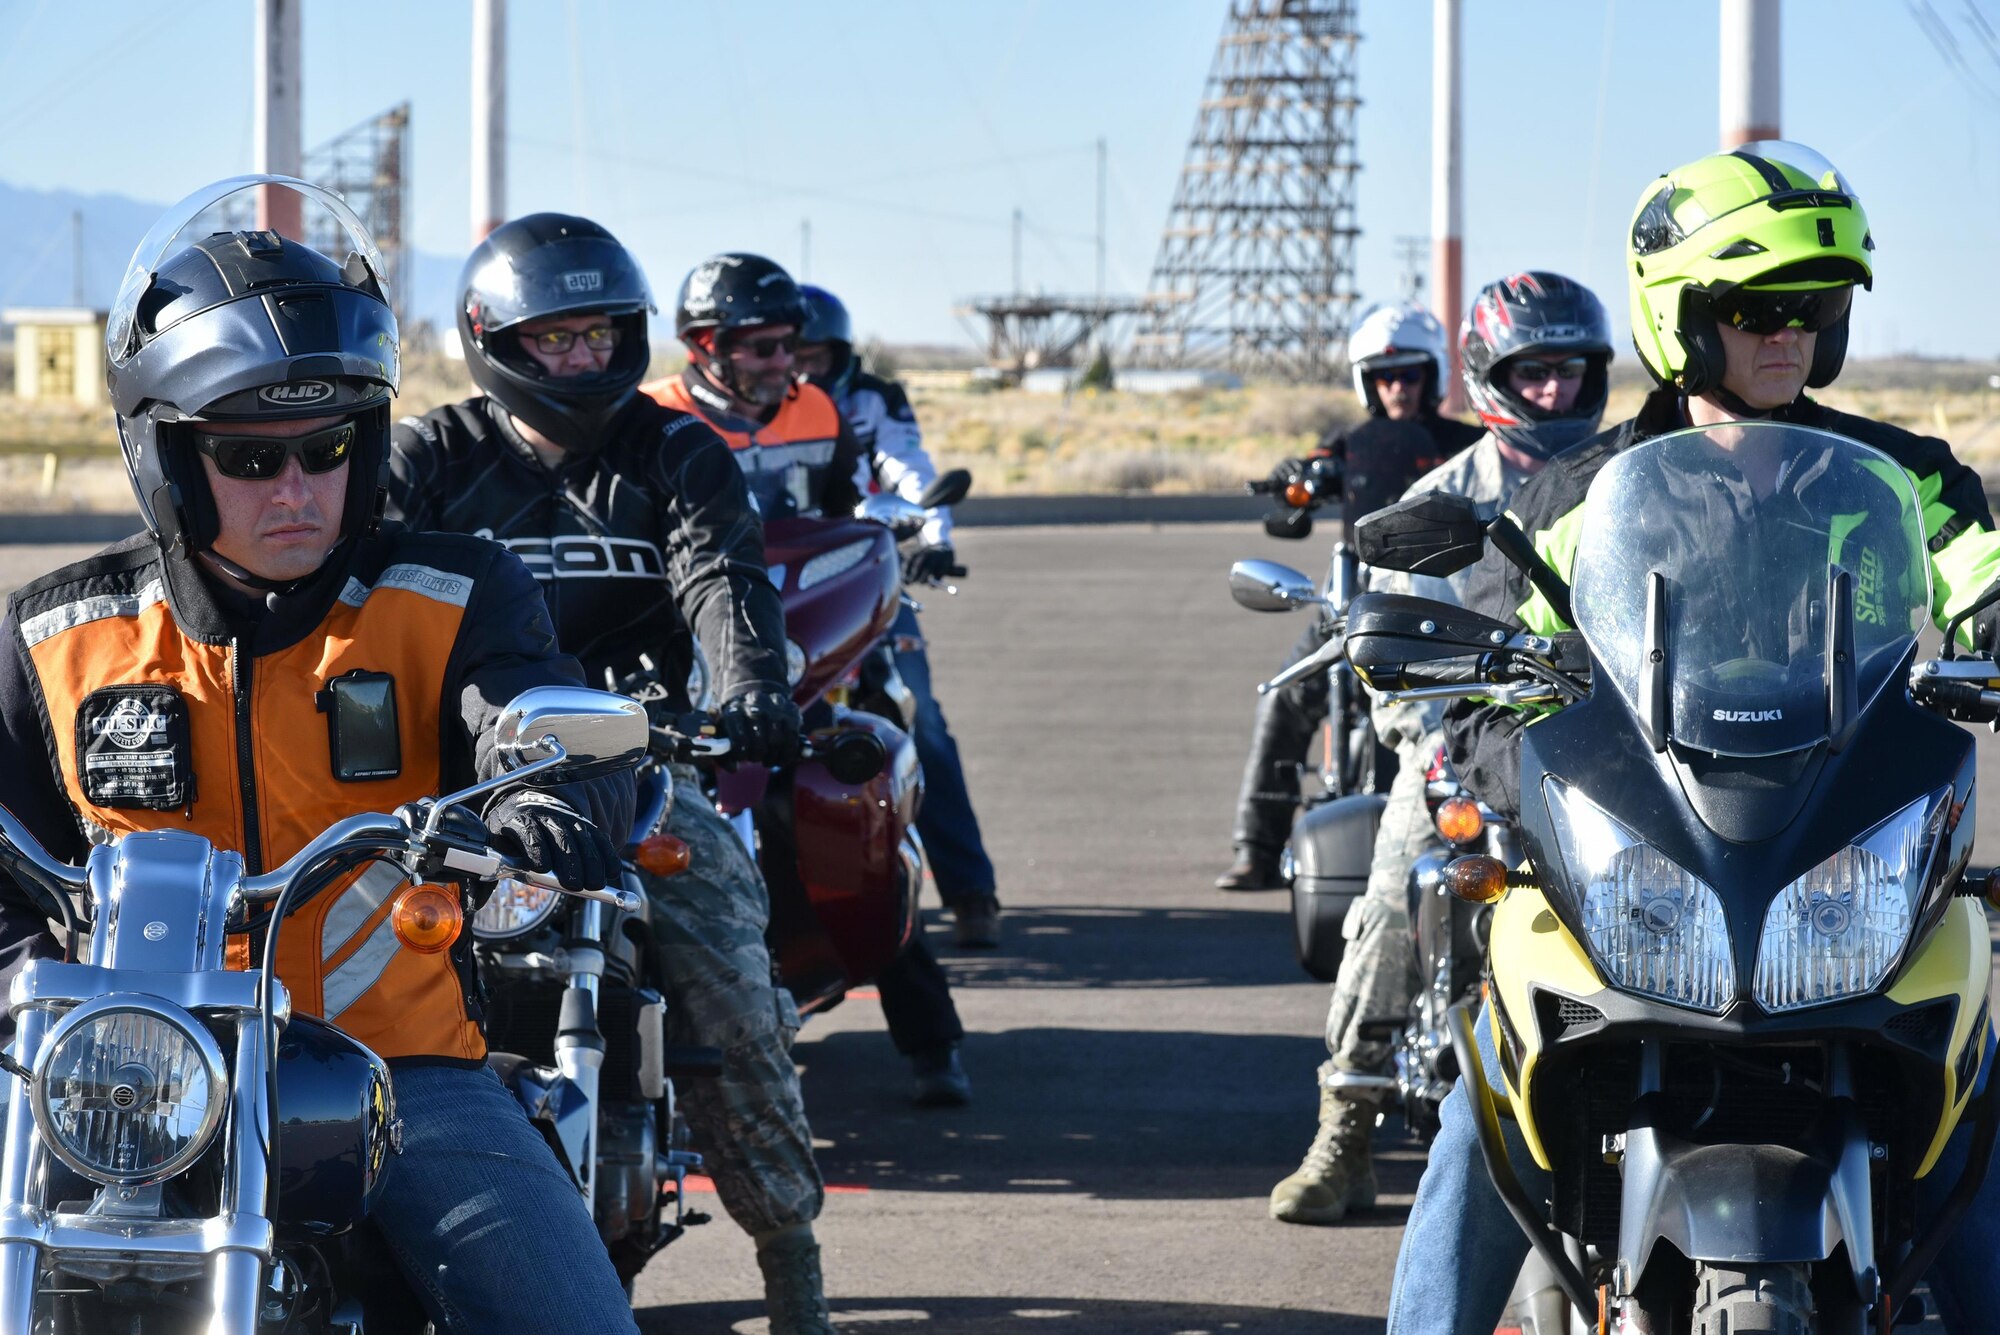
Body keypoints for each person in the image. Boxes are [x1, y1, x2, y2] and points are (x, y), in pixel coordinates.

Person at [0, 178, 639, 1333]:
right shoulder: (59, 637)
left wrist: (549, 784)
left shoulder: (450, 596)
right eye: (249, 458)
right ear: (166, 456)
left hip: (399, 1070)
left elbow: (530, 708)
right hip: (110, 1077)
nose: (295, 489)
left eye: (327, 445)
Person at [1389, 143, 2000, 1335]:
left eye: (1814, 310)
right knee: (1486, 1099)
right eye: (1755, 309)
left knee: (1974, 1083)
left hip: (1840, 855)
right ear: (1679, 319)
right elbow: (1480, 680)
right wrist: (1521, 760)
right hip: (1645, 860)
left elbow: (1981, 570)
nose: (1789, 335)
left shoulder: (1904, 480)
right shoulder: (1575, 496)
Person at [384, 215, 838, 1333]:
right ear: (494, 339)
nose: (582, 359)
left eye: (598, 336)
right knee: (353, 964)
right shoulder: (427, 457)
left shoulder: (674, 449)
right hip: (467, 781)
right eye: (555, 339)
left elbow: (723, 581)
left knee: (737, 988)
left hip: (637, 762)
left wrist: (751, 696)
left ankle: (791, 1260)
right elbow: (372, 594)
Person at [1269, 273, 1613, 1226]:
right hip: (1473, 745)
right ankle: (1345, 1127)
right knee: (1389, 900)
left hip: (1614, 750)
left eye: (1571, 370)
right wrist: (1432, 744)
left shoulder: (1640, 477)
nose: (1554, 391)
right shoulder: (1441, 502)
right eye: (1531, 371)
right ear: (1492, 377)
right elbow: (1392, 666)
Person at [642, 255, 974, 1107]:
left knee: (871, 787)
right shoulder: (650, 420)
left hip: (809, 648)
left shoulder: (818, 410)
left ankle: (933, 1037)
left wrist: (895, 543)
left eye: (789, 344)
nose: (782, 362)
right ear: (705, 346)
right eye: (760, 346)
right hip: (691, 657)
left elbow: (844, 516)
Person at [1217, 301, 1483, 891]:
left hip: (1450, 610)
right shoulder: (1347, 446)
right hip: (1358, 609)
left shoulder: (1468, 446)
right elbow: (1306, 477)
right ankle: (1256, 847)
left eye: (1409, 374)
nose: (1397, 388)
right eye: (1384, 376)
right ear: (1366, 382)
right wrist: (1297, 482)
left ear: (1431, 377)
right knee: (1282, 698)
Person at [795, 282, 1003, 950]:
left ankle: (971, 891)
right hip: (782, 589)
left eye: (813, 354)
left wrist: (934, 539)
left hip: (864, 574)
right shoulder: (751, 414)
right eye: (785, 352)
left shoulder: (872, 399)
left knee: (922, 716)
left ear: (840, 354)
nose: (799, 367)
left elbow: (911, 467)